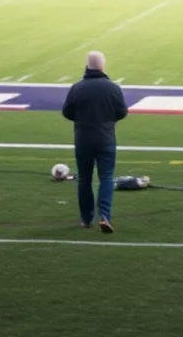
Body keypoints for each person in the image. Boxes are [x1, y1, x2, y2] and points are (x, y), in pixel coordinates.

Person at [61, 51, 129, 233]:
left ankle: (86, 219)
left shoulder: (77, 88)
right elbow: (122, 112)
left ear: (87, 66)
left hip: (83, 138)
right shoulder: (113, 88)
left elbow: (67, 112)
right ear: (103, 66)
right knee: (106, 177)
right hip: (106, 138)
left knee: (84, 179)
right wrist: (107, 120)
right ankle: (104, 215)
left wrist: (82, 118)